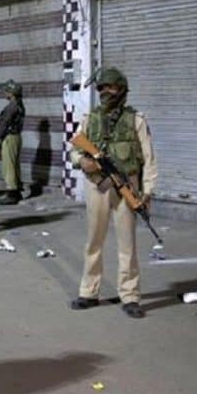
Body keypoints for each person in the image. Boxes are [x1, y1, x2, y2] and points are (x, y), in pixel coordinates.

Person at [69, 67, 157, 319]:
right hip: (98, 185)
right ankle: (89, 291)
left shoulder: (136, 119)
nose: (106, 92)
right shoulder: (90, 117)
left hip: (127, 185)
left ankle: (130, 295)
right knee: (94, 240)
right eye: (101, 88)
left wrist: (147, 192)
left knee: (127, 244)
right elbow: (75, 148)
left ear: (122, 89)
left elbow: (149, 159)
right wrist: (81, 162)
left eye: (111, 87)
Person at [0, 79, 25, 205]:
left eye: (6, 90)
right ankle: (17, 191)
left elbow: (4, 124)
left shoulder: (11, 107)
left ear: (11, 93)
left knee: (9, 166)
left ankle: (11, 193)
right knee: (15, 165)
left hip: (9, 137)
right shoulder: (19, 104)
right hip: (16, 136)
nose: (4, 92)